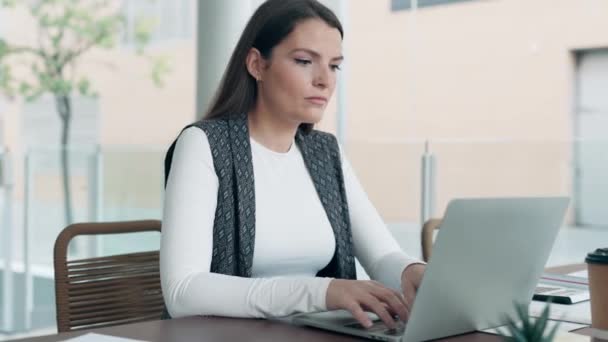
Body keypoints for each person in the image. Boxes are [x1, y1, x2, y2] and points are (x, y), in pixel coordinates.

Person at [161, 0, 425, 330]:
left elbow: (382, 255)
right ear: (257, 64)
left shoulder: (325, 152)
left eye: (334, 66)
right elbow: (183, 291)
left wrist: (412, 271)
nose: (324, 80)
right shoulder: (204, 144)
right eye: (304, 61)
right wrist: (322, 291)